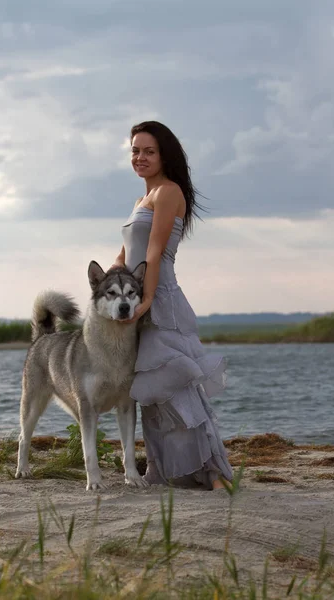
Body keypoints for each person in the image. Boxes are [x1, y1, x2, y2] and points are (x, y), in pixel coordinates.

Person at [111, 121, 233, 490]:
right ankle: (164, 471)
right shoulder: (139, 201)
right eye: (135, 150)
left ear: (164, 155)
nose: (140, 157)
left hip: (160, 298)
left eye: (149, 150)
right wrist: (107, 288)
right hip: (133, 299)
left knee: (177, 387)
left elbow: (154, 251)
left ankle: (212, 474)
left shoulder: (168, 192)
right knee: (151, 392)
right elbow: (123, 257)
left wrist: (146, 302)